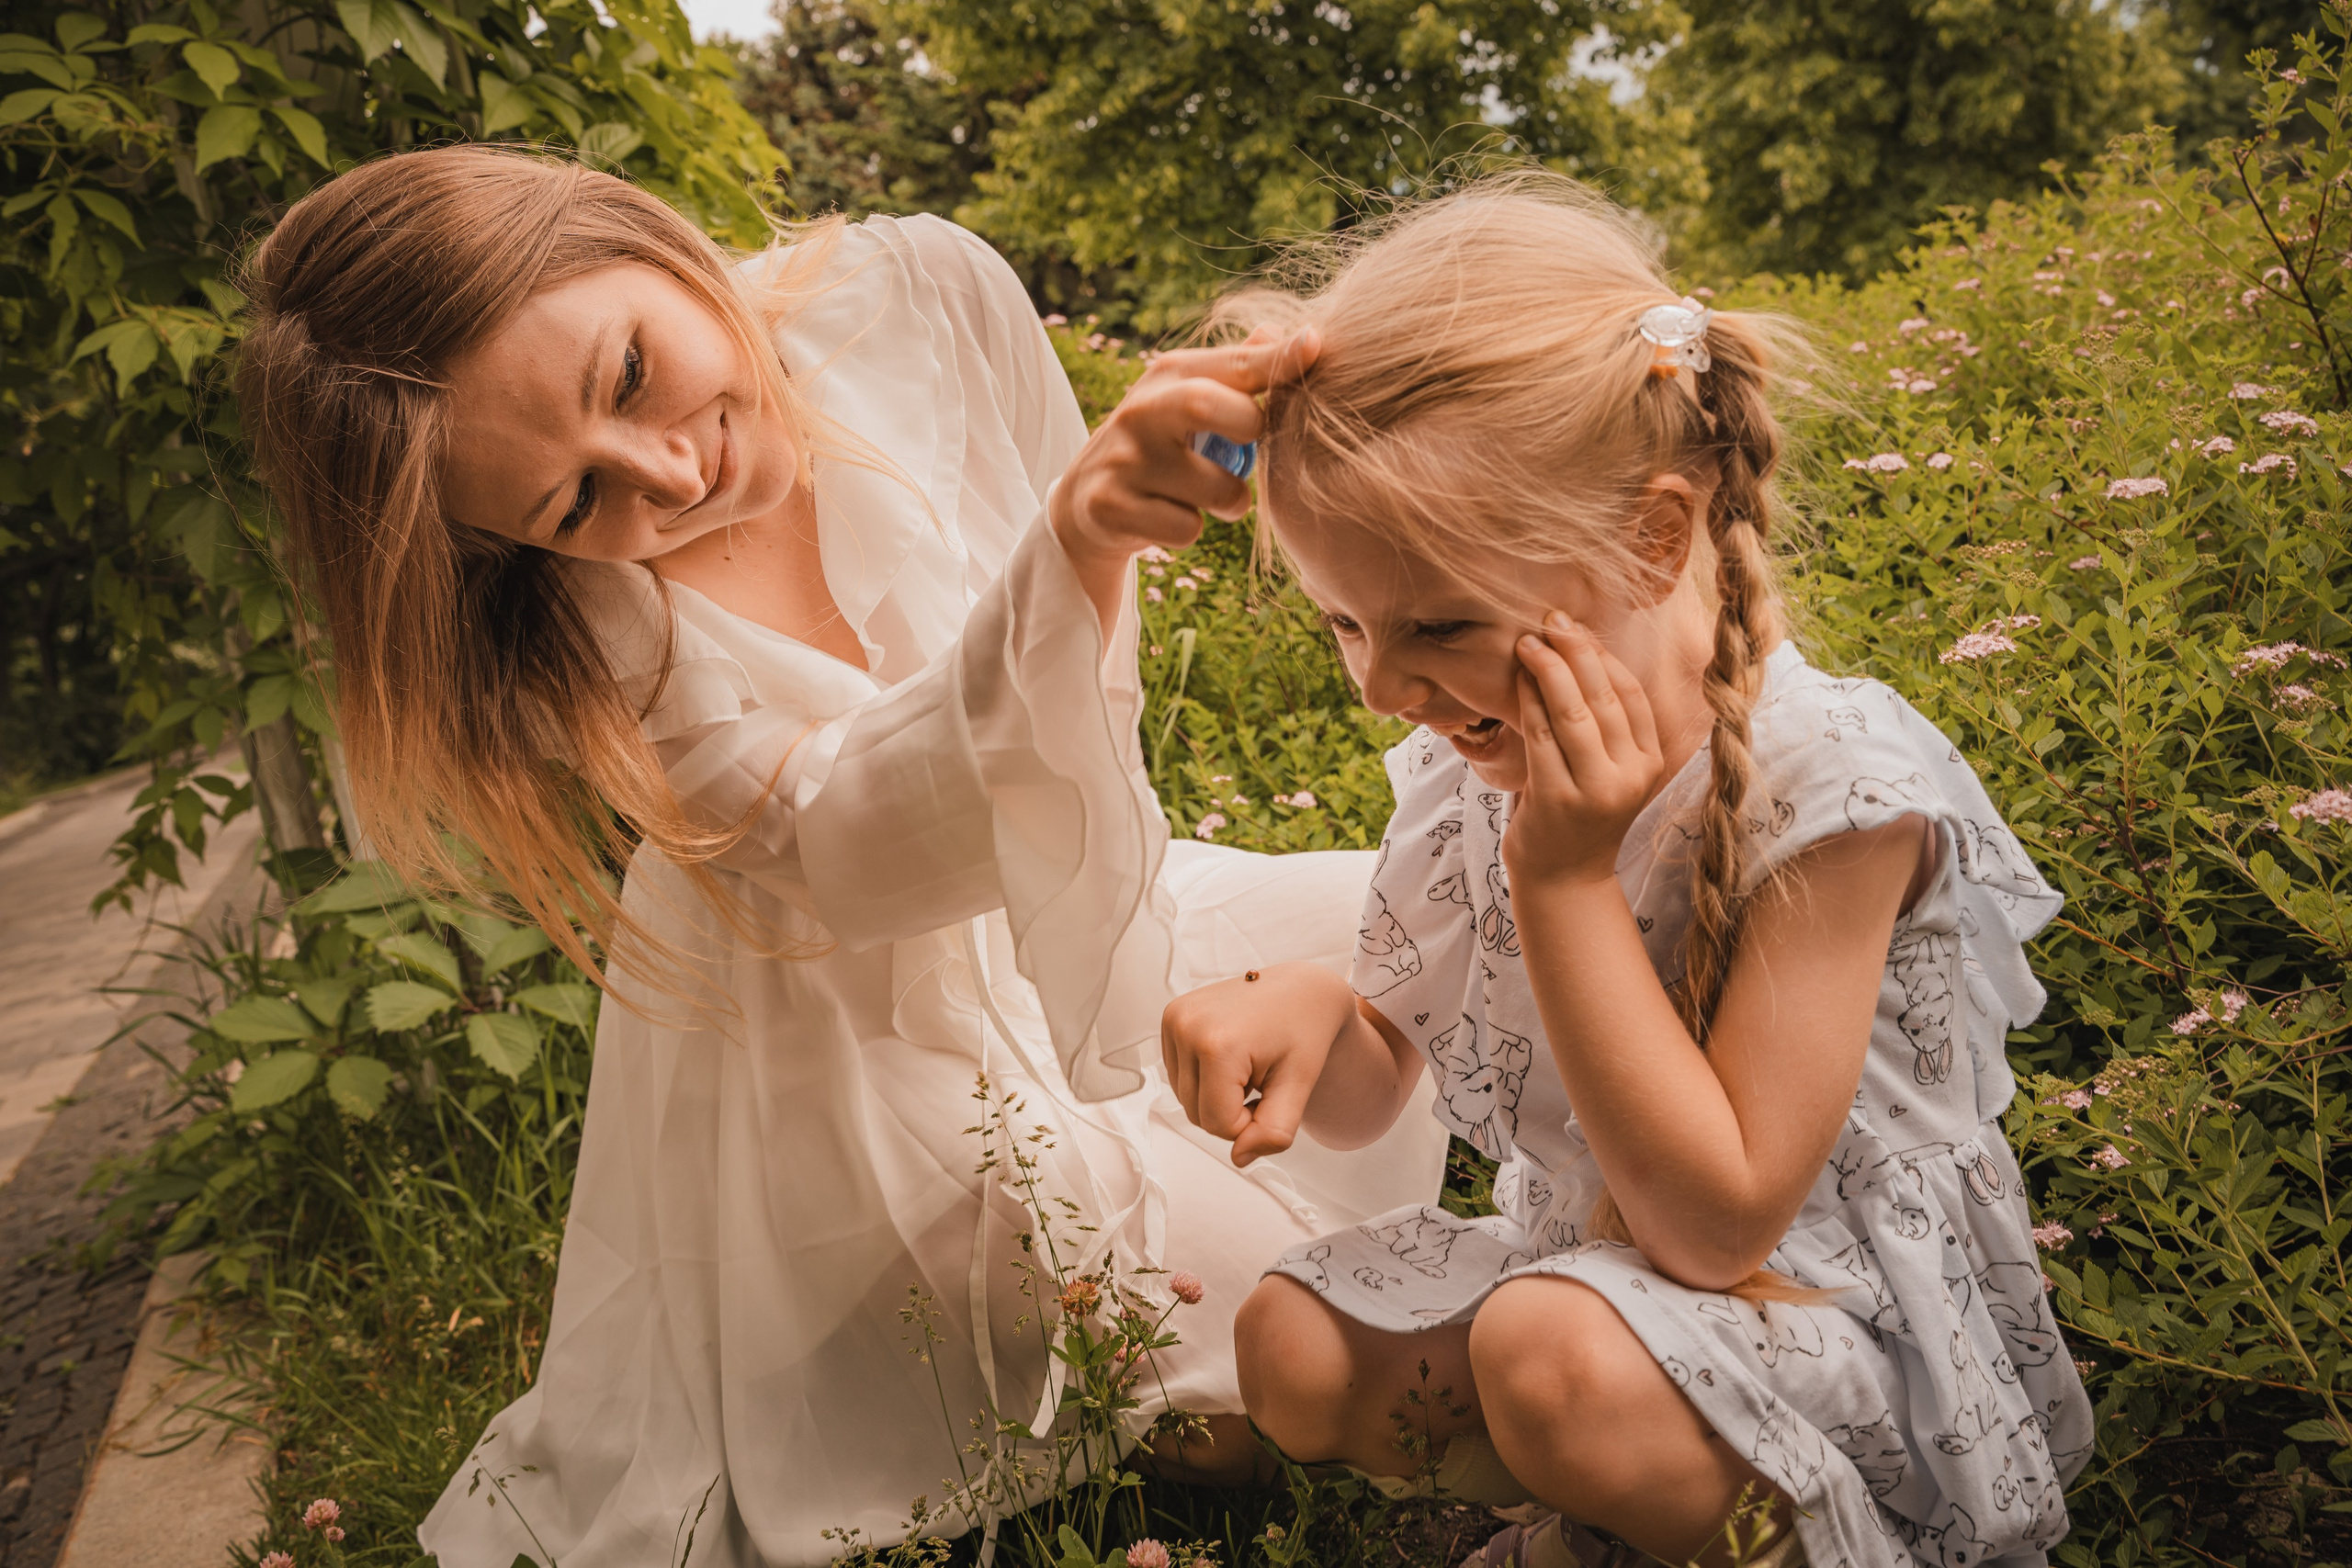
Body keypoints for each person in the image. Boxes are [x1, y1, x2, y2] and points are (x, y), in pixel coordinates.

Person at [234, 144, 1445, 1567]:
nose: (672, 474)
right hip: (861, 1054)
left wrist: (1209, 447)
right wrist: (1078, 547)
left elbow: (1093, 683)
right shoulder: (587, 640)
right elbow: (860, 838)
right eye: (575, 505)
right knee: (1256, 1384)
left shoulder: (924, 291)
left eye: (627, 374)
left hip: (1081, 895)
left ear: (639, 238)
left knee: (1419, 920)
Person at [1159, 174, 2095, 1568]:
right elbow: (1379, 1080)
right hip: (1599, 1292)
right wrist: (1314, 1021)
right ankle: (1621, 1511)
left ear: (1654, 537)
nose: (1382, 690)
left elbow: (1717, 1226)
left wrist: (1566, 881)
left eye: (1438, 622)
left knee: (1549, 1355)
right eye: (1346, 626)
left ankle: (1802, 1545)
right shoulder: (1467, 762)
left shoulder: (1828, 795)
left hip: (1835, 1331)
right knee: (1297, 1345)